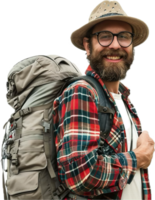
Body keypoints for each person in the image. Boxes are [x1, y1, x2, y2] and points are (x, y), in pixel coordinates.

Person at [52, 0, 155, 200]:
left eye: (124, 37)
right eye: (105, 37)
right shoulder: (82, 92)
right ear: (87, 45)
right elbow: (80, 175)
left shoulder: (125, 101)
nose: (115, 45)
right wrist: (138, 158)